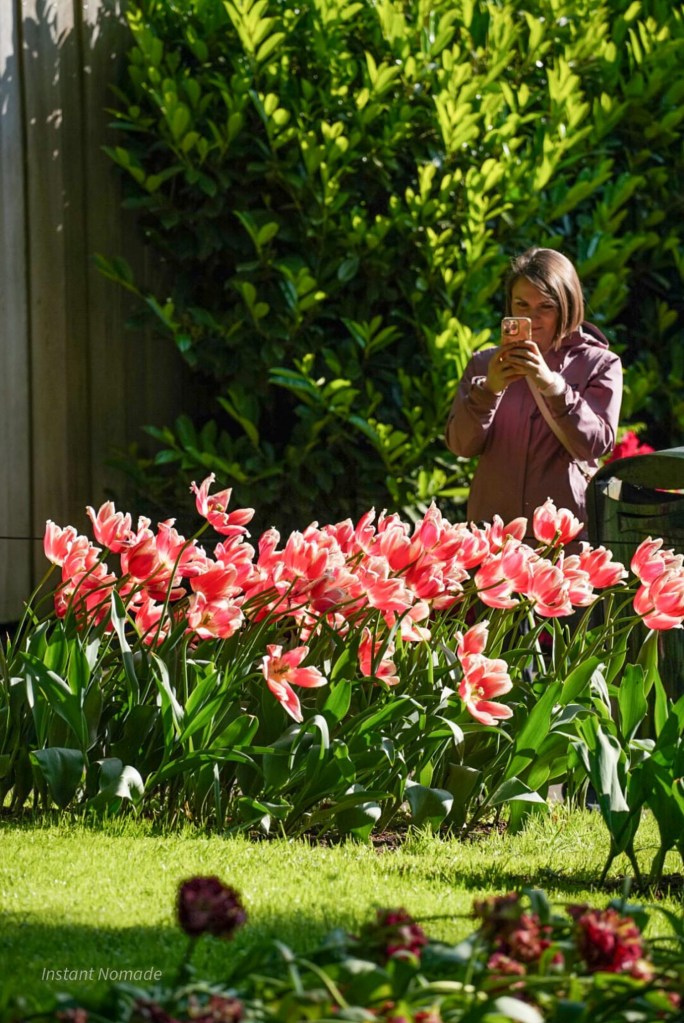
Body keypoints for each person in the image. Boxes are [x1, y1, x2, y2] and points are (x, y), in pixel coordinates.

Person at [445, 247, 623, 540]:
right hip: (493, 535)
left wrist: (553, 386)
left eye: (546, 307)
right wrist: (489, 390)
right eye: (522, 305)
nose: (533, 317)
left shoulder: (600, 364)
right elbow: (461, 446)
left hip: (561, 539)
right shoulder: (483, 363)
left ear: (568, 305)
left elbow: (598, 444)